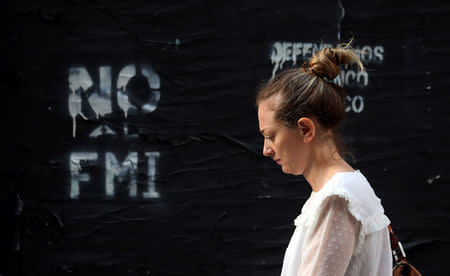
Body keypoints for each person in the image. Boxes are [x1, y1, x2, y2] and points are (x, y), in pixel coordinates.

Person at [256, 41, 392, 276]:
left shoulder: (337, 199)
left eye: (271, 136)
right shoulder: (342, 190)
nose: (266, 150)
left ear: (305, 130)